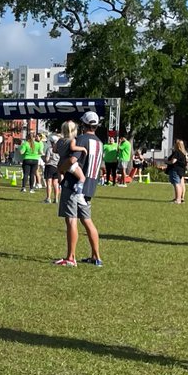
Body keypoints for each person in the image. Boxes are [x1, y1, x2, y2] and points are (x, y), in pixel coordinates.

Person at [54, 111, 104, 268]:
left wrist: (60, 169)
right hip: (90, 187)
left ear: (83, 125)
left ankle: (70, 257)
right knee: (87, 221)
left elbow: (73, 159)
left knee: (71, 220)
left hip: (74, 185)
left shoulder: (81, 140)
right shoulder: (100, 142)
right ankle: (96, 257)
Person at [164, 139, 188, 204]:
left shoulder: (177, 152)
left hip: (175, 170)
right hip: (180, 170)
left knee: (177, 184)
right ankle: (178, 198)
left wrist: (166, 161)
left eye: (175, 144)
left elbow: (173, 161)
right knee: (179, 184)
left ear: (177, 145)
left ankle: (178, 199)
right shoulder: (183, 153)